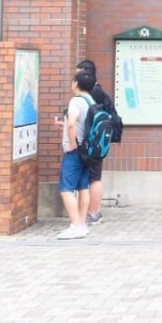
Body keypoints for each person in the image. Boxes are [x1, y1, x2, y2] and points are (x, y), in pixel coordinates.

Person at [56, 69, 95, 239]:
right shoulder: (90, 101)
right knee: (83, 187)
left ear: (76, 84)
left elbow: (72, 124)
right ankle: (82, 224)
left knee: (66, 188)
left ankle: (75, 225)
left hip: (76, 151)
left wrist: (71, 144)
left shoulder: (76, 101)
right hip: (88, 150)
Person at [77, 59, 115, 226]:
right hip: (98, 140)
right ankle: (93, 212)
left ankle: (93, 213)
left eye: (78, 72)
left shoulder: (93, 92)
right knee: (94, 176)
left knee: (93, 177)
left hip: (93, 141)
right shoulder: (98, 91)